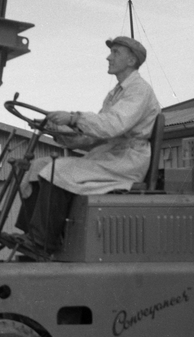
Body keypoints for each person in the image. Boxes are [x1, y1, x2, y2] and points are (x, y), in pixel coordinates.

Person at [14, 36, 161, 254]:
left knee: (57, 170)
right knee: (37, 167)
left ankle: (42, 242)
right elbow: (93, 138)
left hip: (126, 161)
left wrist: (74, 118)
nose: (108, 57)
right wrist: (58, 131)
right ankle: (32, 237)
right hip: (109, 155)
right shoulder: (116, 93)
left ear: (131, 60)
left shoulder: (139, 90)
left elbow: (113, 125)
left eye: (115, 52)